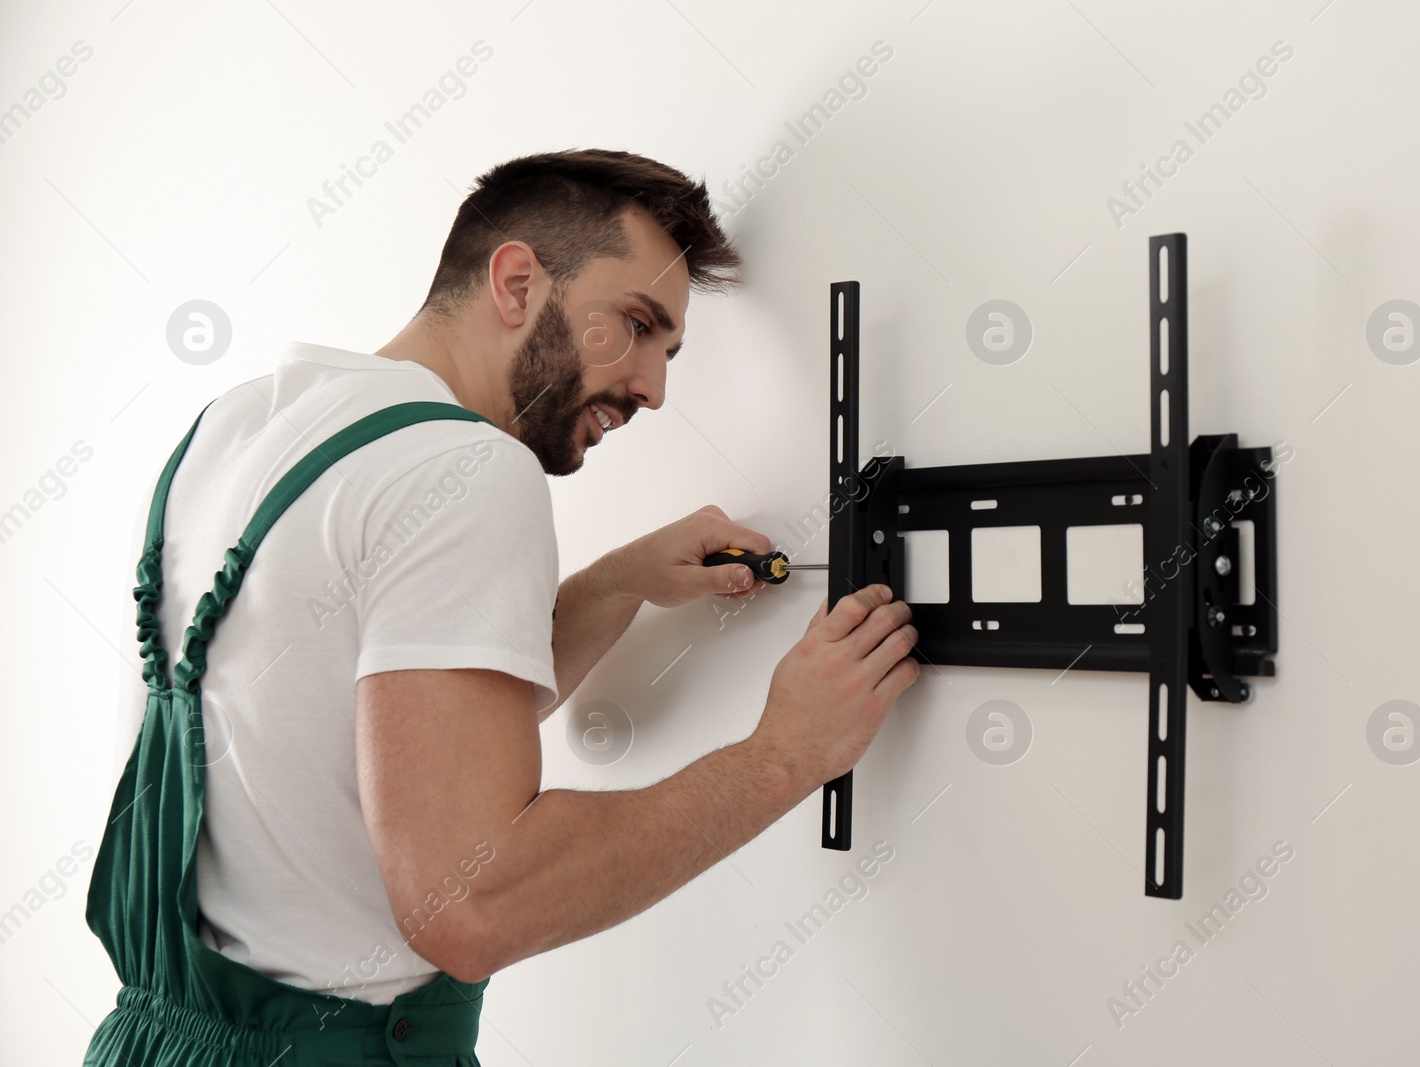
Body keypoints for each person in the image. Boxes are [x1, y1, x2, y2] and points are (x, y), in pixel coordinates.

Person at [84, 148, 921, 1065]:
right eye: (636, 326)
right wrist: (786, 753)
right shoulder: (467, 467)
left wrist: (617, 583)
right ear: (518, 281)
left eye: (669, 352)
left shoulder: (232, 428)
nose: (654, 387)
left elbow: (380, 729)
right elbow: (471, 902)